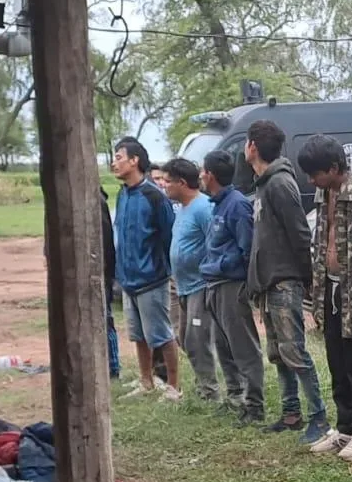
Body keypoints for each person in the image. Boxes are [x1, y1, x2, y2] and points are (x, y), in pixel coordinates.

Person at [299, 134, 352, 461]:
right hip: (330, 288)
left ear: (333, 168)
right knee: (336, 361)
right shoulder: (324, 194)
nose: (311, 180)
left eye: (315, 173)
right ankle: (344, 427)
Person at [246, 119, 329, 440]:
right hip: (268, 283)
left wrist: (306, 278)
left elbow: (299, 233)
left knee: (294, 351)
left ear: (252, 146)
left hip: (284, 281)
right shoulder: (263, 184)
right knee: (277, 352)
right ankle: (290, 412)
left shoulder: (280, 184)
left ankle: (318, 416)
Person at [199, 150, 267, 425]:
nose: (200, 176)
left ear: (211, 175)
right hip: (214, 285)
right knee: (222, 345)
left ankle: (254, 406)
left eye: (203, 171)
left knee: (243, 346)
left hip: (231, 285)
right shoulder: (218, 204)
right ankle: (235, 397)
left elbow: (247, 249)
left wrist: (232, 272)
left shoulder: (237, 205)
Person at [111, 137, 182, 401]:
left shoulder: (153, 195)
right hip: (128, 278)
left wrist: (160, 267)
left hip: (152, 278)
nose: (114, 163)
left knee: (162, 334)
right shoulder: (122, 194)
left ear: (135, 161)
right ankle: (146, 381)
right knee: (138, 335)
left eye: (119, 157)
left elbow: (167, 235)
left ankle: (174, 387)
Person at [164, 157, 220, 401]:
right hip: (182, 285)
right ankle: (203, 385)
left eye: (168, 182)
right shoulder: (183, 209)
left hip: (200, 285)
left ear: (182, 183)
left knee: (198, 340)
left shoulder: (204, 207)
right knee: (184, 338)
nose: (164, 186)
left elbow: (215, 243)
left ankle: (209, 392)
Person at [100, 186, 121, 380]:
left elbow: (106, 242)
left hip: (100, 272)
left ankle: (113, 367)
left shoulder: (96, 201)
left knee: (105, 319)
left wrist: (108, 274)